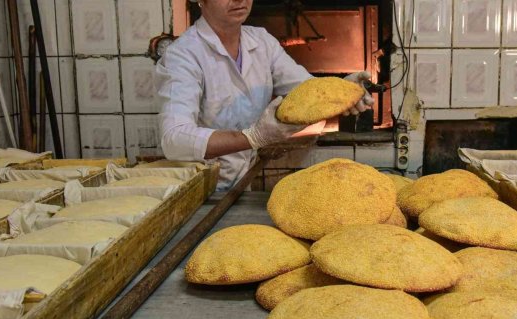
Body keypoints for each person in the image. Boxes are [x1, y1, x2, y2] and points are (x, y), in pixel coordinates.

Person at [155, 0, 374, 191]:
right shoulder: (183, 55)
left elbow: (306, 91)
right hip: (197, 190)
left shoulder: (261, 41)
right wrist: (252, 137)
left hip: (241, 183)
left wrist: (342, 91)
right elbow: (175, 139)